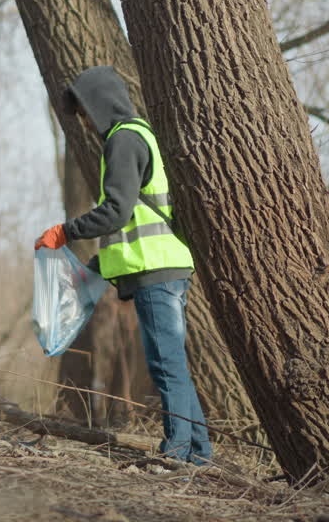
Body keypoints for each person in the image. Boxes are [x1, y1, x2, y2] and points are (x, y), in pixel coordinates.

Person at [35, 65, 212, 465]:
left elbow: (116, 212)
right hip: (160, 268)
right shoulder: (135, 136)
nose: (83, 121)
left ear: (98, 103)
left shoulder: (124, 140)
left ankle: (178, 452)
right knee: (171, 363)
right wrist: (95, 267)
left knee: (165, 365)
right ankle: (198, 453)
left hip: (157, 272)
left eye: (83, 111)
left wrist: (65, 231)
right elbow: (129, 224)